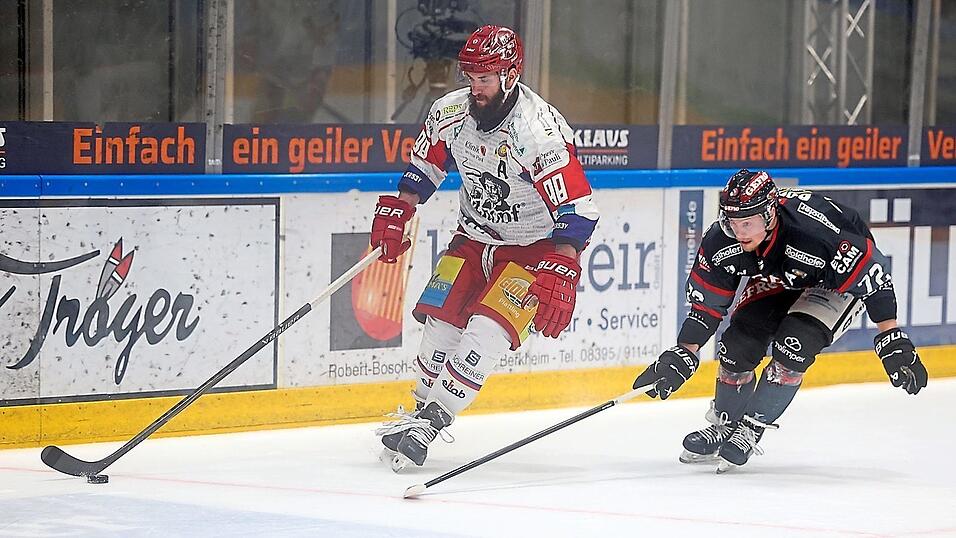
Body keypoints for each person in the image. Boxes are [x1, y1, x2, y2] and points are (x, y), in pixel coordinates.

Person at [369, 25, 600, 471]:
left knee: (486, 332)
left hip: (532, 250)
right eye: (470, 76)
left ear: (511, 75)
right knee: (438, 328)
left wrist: (565, 265)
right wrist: (399, 209)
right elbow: (424, 170)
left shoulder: (538, 131)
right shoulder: (450, 112)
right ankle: (419, 410)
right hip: (472, 239)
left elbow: (578, 211)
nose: (475, 87)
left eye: (485, 78)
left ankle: (432, 422)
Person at [632, 169, 927, 473]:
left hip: (832, 283)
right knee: (735, 346)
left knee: (794, 346)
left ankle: (752, 426)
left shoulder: (816, 232)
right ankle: (726, 422)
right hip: (779, 277)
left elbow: (873, 278)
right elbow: (706, 307)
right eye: (732, 222)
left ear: (770, 213)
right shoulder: (722, 242)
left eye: (748, 222)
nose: (740, 231)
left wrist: (892, 338)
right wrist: (683, 353)